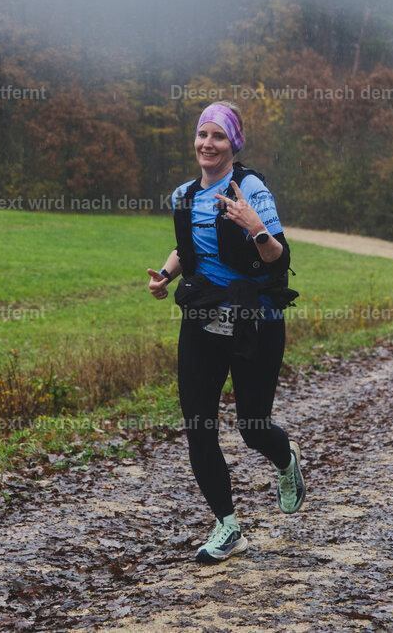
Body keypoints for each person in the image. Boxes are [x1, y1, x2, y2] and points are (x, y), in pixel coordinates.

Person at [146, 101, 305, 563]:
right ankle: (227, 526)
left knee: (253, 427)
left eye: (218, 136)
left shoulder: (250, 188)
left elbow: (277, 256)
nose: (207, 144)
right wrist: (164, 274)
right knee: (199, 426)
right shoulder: (185, 194)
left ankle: (286, 459)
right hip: (202, 320)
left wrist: (256, 228)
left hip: (254, 321)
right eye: (202, 135)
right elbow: (187, 245)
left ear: (233, 144)